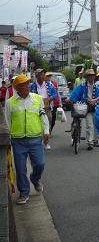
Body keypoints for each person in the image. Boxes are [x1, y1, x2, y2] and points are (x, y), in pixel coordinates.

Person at [4, 74, 49, 205]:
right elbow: (7, 122)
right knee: (21, 169)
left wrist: (46, 131)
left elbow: (42, 116)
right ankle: (24, 192)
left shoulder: (37, 99)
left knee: (40, 164)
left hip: (35, 139)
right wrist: (8, 139)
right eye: (23, 85)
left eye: (28, 83)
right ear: (17, 87)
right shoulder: (9, 102)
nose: (27, 86)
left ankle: (35, 179)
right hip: (18, 141)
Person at [67, 69, 99, 150]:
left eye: (92, 75)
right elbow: (76, 93)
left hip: (96, 106)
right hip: (85, 106)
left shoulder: (98, 86)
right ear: (87, 77)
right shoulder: (83, 85)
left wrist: (95, 100)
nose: (91, 77)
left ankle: (95, 139)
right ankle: (90, 142)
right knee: (89, 125)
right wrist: (70, 98)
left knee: (96, 124)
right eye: (89, 76)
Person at [30, 69, 57, 139]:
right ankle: (39, 138)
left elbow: (55, 94)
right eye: (41, 74)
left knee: (48, 122)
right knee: (37, 124)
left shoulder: (49, 85)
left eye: (43, 74)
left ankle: (46, 139)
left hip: (47, 107)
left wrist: (51, 98)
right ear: (37, 76)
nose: (43, 76)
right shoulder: (32, 86)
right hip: (36, 108)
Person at [45, 72, 61, 137]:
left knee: (53, 119)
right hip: (47, 105)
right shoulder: (44, 85)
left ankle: (50, 130)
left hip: (55, 103)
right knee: (47, 118)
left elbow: (57, 93)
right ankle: (47, 132)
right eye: (47, 76)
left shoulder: (54, 84)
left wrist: (60, 103)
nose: (48, 77)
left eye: (49, 76)